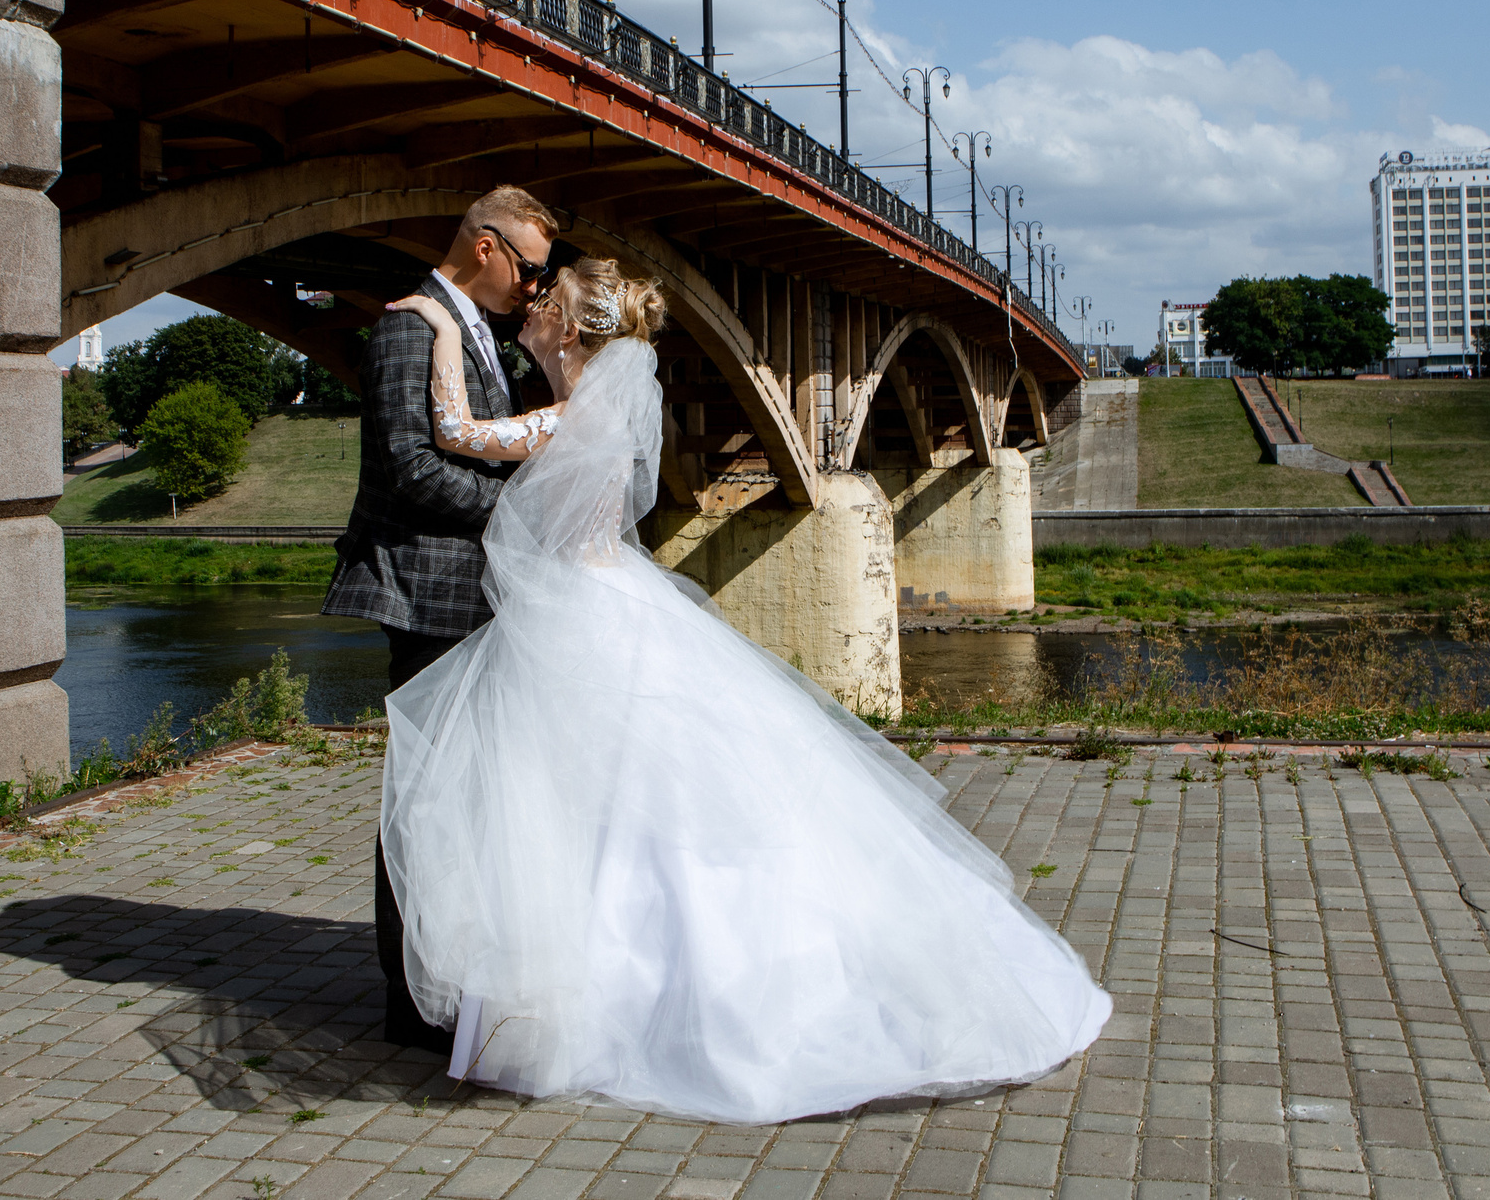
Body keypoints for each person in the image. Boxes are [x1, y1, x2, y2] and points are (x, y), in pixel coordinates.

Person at [376, 258, 1111, 1124]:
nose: (533, 304)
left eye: (550, 298)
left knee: (586, 808)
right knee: (635, 810)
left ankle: (601, 990)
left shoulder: (568, 418)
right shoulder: (600, 410)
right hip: (615, 604)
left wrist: (438, 324)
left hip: (581, 616)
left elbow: (454, 430)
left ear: (569, 331)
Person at [325, 185, 560, 1052]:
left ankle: (450, 975)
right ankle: (412, 1000)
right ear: (486, 246)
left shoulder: (474, 331)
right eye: (529, 269)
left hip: (472, 594)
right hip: (426, 595)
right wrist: (522, 511)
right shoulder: (406, 329)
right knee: (424, 802)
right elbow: (410, 467)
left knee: (464, 799)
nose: (535, 287)